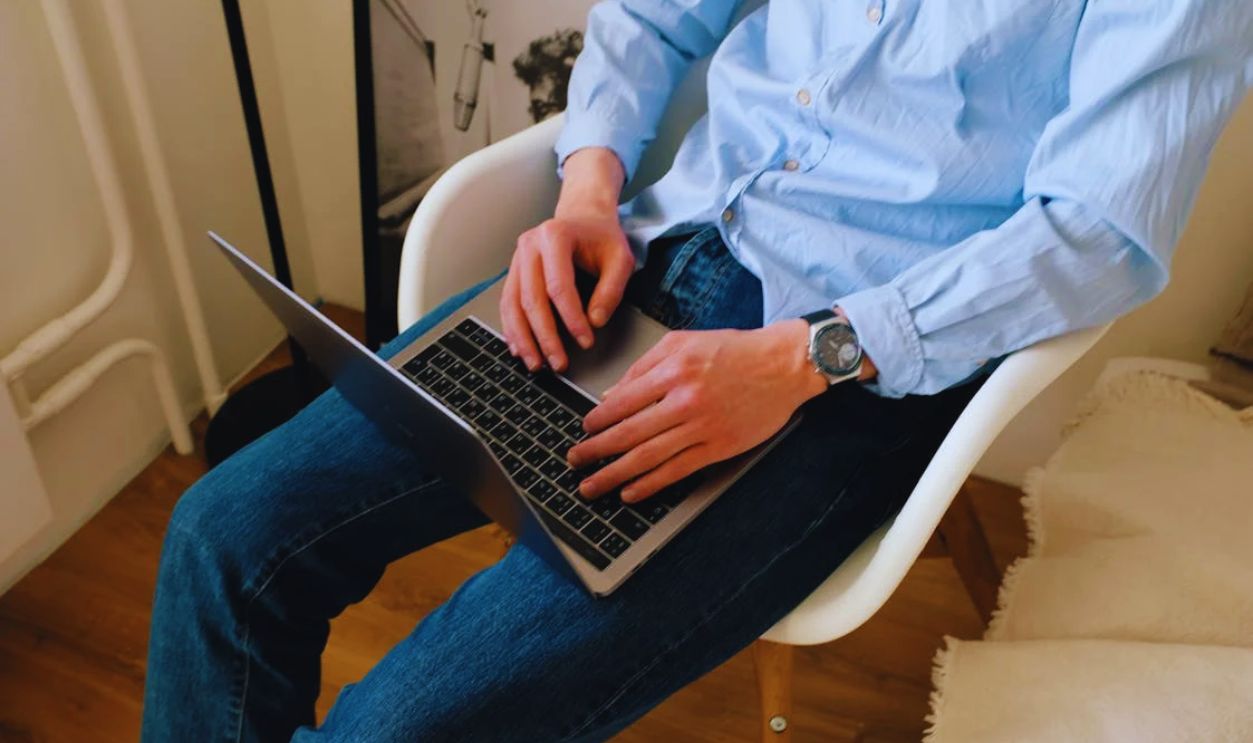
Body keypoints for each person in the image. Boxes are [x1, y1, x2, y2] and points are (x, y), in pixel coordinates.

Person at [142, 1, 1251, 740]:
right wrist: (584, 192)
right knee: (221, 532)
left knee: (402, 726)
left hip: (847, 367)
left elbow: (1100, 229)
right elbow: (651, 15)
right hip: (644, 255)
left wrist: (803, 356)